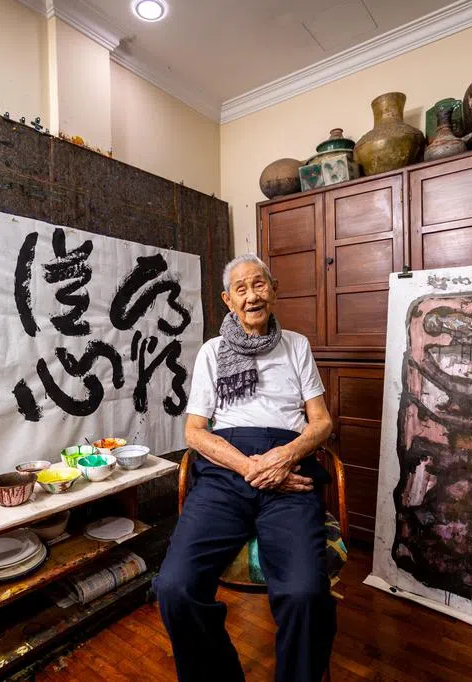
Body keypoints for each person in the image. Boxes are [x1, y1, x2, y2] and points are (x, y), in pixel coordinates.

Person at [154, 253, 336, 682]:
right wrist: (249, 467)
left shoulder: (297, 345)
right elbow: (195, 432)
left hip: (289, 473)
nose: (252, 296)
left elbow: (322, 422)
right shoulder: (212, 352)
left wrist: (283, 457)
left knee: (306, 592)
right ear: (228, 300)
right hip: (224, 473)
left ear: (273, 290)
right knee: (175, 587)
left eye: (259, 285)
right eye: (241, 289)